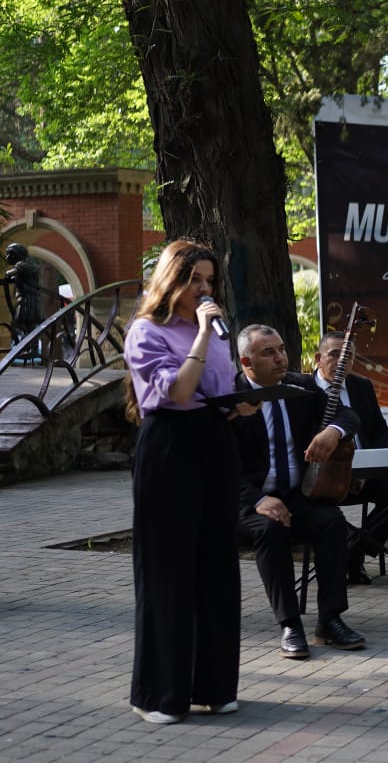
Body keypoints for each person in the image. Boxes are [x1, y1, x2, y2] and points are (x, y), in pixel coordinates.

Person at [123, 239, 241, 724]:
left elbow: (218, 390)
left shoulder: (216, 332)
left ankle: (213, 686)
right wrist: (203, 334)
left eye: (210, 281)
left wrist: (241, 403)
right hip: (169, 446)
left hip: (214, 443)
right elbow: (178, 389)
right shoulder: (146, 331)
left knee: (217, 567)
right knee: (167, 571)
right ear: (172, 280)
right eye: (195, 280)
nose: (204, 289)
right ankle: (158, 694)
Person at [231, 325, 366, 658]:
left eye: (281, 349)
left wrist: (334, 431)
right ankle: (290, 624)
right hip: (245, 502)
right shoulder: (230, 398)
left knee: (331, 521)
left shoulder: (300, 387)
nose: (280, 358)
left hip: (294, 495)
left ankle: (330, 620)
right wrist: (258, 500)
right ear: (246, 361)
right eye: (269, 353)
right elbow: (217, 465)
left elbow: (349, 415)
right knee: (271, 528)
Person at [313, 331, 388, 584]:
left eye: (348, 356)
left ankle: (353, 551)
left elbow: (381, 431)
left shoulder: (361, 386)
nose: (342, 361)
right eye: (334, 354)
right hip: (322, 478)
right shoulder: (306, 390)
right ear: (318, 358)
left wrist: (369, 469)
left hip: (364, 475)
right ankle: (349, 555)